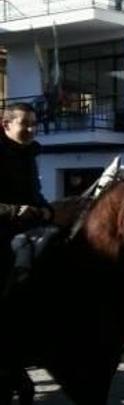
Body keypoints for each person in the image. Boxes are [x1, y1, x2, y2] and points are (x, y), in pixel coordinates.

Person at [0, 103, 53, 294]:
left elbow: (35, 195)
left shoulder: (29, 154)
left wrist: (47, 209)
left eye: (34, 124)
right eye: (25, 124)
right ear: (6, 125)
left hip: (29, 227)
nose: (32, 130)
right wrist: (15, 210)